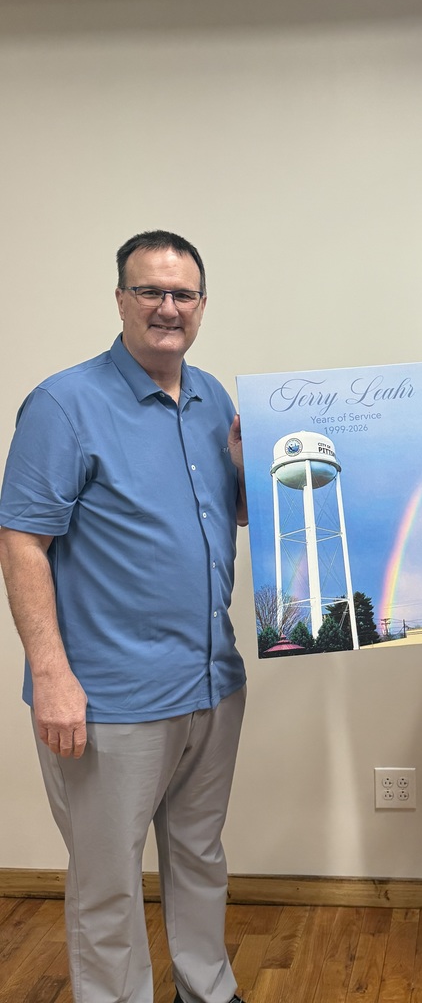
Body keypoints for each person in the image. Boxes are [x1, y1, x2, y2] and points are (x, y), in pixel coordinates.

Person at [0, 231, 249, 1003]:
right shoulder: (64, 404)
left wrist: (249, 467)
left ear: (202, 306)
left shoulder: (213, 397)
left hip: (212, 683)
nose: (167, 308)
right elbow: (21, 539)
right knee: (107, 884)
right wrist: (51, 677)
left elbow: (231, 515)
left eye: (183, 294)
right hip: (109, 699)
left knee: (200, 855)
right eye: (150, 292)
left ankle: (206, 988)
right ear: (120, 300)